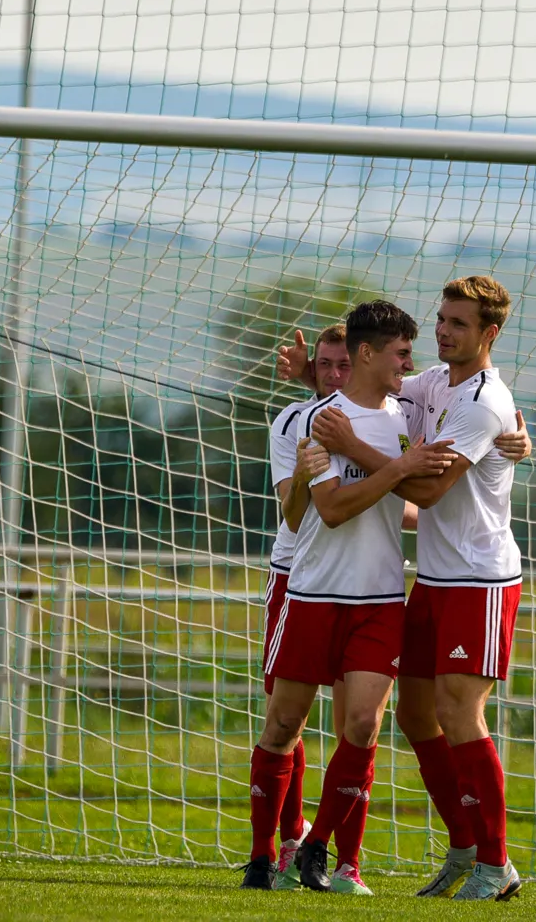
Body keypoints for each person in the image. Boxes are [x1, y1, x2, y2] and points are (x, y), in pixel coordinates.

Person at [299, 276, 526, 901]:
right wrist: (309, 378)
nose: (443, 332)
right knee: (416, 715)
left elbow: (425, 491)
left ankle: (496, 865)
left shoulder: (483, 401)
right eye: (442, 319)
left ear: (489, 333)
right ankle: (464, 845)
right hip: (433, 578)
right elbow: (372, 380)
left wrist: (353, 448)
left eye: (458, 324)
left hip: (480, 579)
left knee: (459, 713)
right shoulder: (432, 383)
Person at [257, 300, 443, 896]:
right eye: (401, 353)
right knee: (284, 722)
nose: (409, 364)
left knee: (362, 724)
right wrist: (399, 468)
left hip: (382, 596)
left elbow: (460, 401)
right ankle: (264, 858)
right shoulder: (319, 420)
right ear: (370, 353)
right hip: (313, 593)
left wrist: (514, 436)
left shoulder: (407, 414)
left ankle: (327, 852)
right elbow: (331, 510)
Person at [242, 324, 353, 890]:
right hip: (295, 574)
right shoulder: (291, 422)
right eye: (324, 365)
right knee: (285, 715)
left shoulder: (392, 417)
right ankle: (281, 845)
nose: (333, 375)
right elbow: (292, 509)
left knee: (358, 722)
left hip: (363, 580)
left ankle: (345, 861)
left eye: (343, 365)